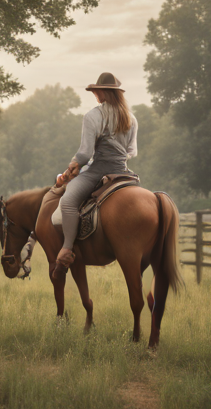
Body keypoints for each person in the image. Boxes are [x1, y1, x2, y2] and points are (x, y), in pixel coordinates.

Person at [52, 72, 138, 280]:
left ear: (102, 92)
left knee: (69, 200)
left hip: (99, 170)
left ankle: (66, 249)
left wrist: (73, 165)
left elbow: (85, 153)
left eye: (96, 91)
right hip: (124, 172)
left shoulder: (94, 116)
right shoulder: (131, 117)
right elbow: (131, 152)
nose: (95, 95)